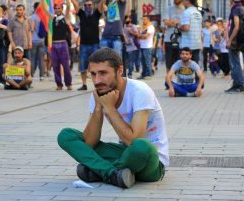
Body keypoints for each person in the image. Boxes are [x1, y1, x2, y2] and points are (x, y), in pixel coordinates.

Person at [57, 48, 168, 189]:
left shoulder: (140, 91)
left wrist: (109, 109)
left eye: (103, 73)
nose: (97, 81)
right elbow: (89, 143)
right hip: (124, 155)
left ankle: (99, 171)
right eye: (93, 74)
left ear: (119, 70)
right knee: (66, 135)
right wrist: (98, 107)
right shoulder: (99, 93)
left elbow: (135, 140)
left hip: (151, 161)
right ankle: (112, 174)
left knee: (142, 146)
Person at [69, 0, 103, 90]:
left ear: (92, 6)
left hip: (95, 44)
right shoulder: (82, 14)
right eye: (86, 5)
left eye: (89, 5)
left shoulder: (97, 14)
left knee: (97, 65)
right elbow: (74, 2)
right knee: (83, 65)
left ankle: (98, 83)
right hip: (84, 44)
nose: (87, 6)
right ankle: (84, 84)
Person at [41, 0, 73, 90]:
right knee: (55, 66)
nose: (58, 10)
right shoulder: (52, 18)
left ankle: (68, 84)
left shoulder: (65, 18)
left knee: (66, 66)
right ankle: (59, 84)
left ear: (61, 9)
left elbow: (68, 6)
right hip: (54, 45)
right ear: (54, 9)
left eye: (59, 8)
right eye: (56, 8)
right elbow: (45, 9)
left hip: (63, 45)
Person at [225, 0, 244, 93]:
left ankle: (239, 85)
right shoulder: (240, 7)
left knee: (234, 63)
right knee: (235, 62)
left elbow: (236, 26)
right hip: (238, 40)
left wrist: (230, 40)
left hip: (234, 41)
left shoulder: (236, 9)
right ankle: (236, 83)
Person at [162, 0, 185, 72]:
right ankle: (168, 83)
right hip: (169, 39)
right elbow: (166, 22)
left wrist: (172, 22)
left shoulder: (185, 10)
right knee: (169, 64)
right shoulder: (168, 8)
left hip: (181, 40)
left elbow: (185, 24)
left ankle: (179, 83)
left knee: (180, 63)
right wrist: (178, 23)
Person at [179, 0, 202, 64]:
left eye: (184, 0)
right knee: (195, 67)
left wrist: (179, 26)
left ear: (188, 1)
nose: (183, 1)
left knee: (186, 68)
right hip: (197, 44)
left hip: (187, 46)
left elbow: (186, 28)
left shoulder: (186, 12)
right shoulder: (198, 13)